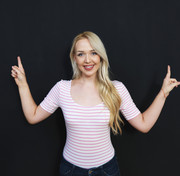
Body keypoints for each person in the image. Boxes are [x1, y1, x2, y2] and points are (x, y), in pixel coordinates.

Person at [11, 31, 180, 176]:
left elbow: (144, 125)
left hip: (107, 170)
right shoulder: (61, 89)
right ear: (74, 58)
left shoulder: (116, 89)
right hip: (71, 170)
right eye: (81, 54)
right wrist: (23, 84)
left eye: (93, 53)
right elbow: (33, 116)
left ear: (100, 56)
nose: (87, 60)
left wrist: (163, 93)